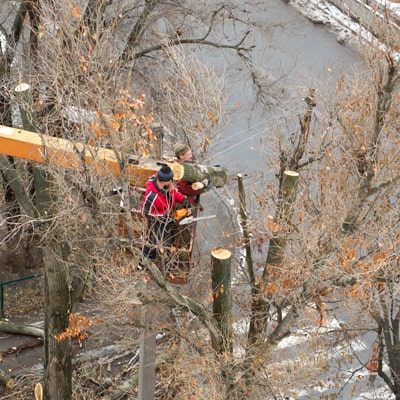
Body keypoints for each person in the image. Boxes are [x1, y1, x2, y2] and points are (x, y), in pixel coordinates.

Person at [140, 165, 189, 271]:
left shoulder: (166, 184)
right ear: (164, 181)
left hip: (166, 216)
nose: (172, 182)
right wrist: (162, 217)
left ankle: (154, 257)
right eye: (170, 180)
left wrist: (183, 199)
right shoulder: (152, 196)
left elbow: (173, 193)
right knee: (157, 240)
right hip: (155, 219)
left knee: (161, 239)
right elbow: (144, 211)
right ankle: (146, 262)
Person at [174, 143, 210, 211]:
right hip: (183, 204)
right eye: (188, 154)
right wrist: (203, 188)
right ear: (181, 156)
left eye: (191, 154)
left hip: (186, 201)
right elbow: (183, 188)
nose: (191, 156)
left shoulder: (186, 165)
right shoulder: (180, 169)